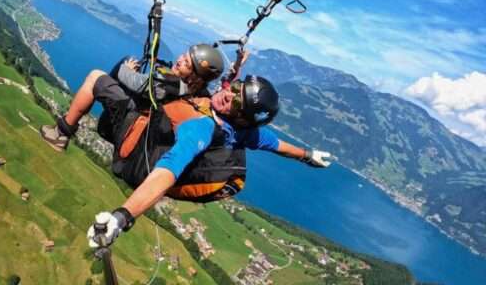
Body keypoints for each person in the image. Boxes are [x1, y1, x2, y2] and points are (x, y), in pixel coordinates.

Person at [40, 43, 333, 249]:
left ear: (241, 115)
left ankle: (61, 133)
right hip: (146, 144)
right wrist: (308, 155)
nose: (226, 94)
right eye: (233, 87)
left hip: (135, 148)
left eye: (234, 98)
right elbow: (277, 144)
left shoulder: (201, 127)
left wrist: (122, 216)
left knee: (95, 77)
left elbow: (169, 170)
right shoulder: (244, 130)